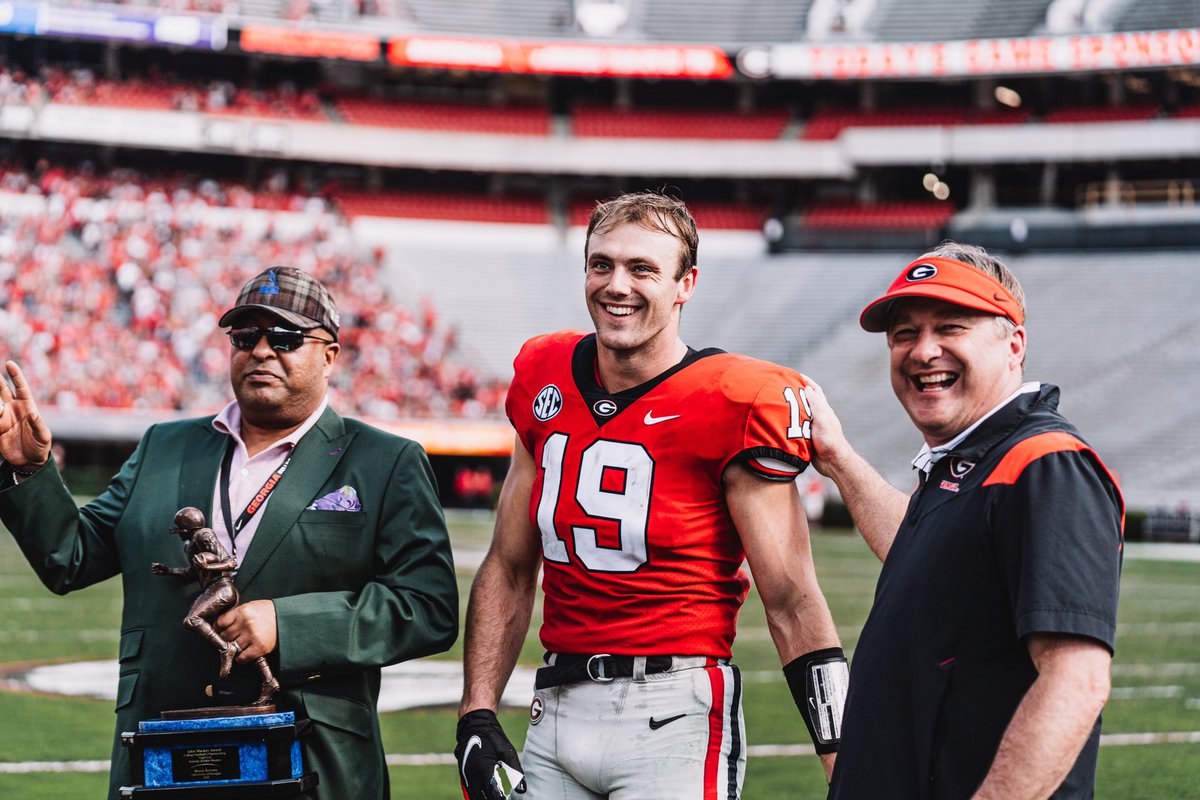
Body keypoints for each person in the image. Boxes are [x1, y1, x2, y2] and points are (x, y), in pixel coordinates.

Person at [0, 266, 458, 800]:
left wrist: (289, 624)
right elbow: (69, 557)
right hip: (165, 759)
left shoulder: (385, 461)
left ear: (330, 355)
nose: (262, 350)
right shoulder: (162, 447)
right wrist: (29, 470)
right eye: (245, 336)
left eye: (286, 337)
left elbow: (428, 607)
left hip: (313, 765)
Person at [455, 192, 845, 800]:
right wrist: (477, 713)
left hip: (675, 712)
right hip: (553, 704)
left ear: (686, 284)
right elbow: (508, 565)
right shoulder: (543, 371)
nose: (616, 285)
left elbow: (793, 601)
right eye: (601, 264)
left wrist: (839, 753)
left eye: (643, 269)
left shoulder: (736, 398)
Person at [804, 243, 1123, 799]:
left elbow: (1077, 680)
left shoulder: (1044, 464)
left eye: (950, 327)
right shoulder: (970, 462)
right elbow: (923, 556)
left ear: (1013, 345)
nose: (923, 351)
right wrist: (837, 459)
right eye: (904, 333)